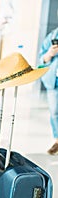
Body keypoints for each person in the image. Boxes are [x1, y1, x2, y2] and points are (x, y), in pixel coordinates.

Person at [39, 27, 58, 155]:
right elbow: (41, 59)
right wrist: (49, 54)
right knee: (55, 112)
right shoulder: (52, 36)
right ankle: (57, 141)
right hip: (54, 82)